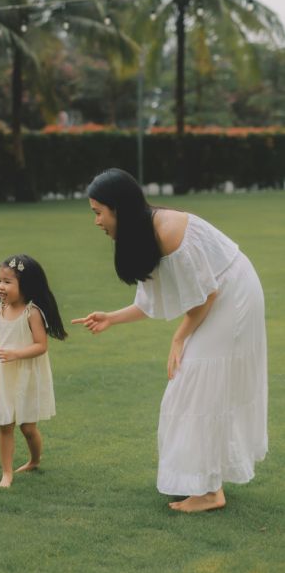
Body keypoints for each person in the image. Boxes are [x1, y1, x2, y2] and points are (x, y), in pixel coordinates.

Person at [72, 168, 267, 513]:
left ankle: (209, 493)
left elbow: (206, 295)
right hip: (220, 295)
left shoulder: (169, 231)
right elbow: (152, 300)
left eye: (98, 212)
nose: (96, 221)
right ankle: (206, 481)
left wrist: (178, 340)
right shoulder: (145, 232)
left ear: (117, 208)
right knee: (197, 386)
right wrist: (112, 318)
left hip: (233, 296)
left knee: (194, 382)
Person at [0, 254, 67, 488]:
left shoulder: (32, 312)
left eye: (8, 282)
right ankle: (6, 473)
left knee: (28, 427)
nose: (1, 286)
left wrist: (16, 354)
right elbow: (2, 344)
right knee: (4, 423)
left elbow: (41, 345)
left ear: (25, 285)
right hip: (5, 374)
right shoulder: (1, 309)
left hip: (27, 374)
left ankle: (34, 460)